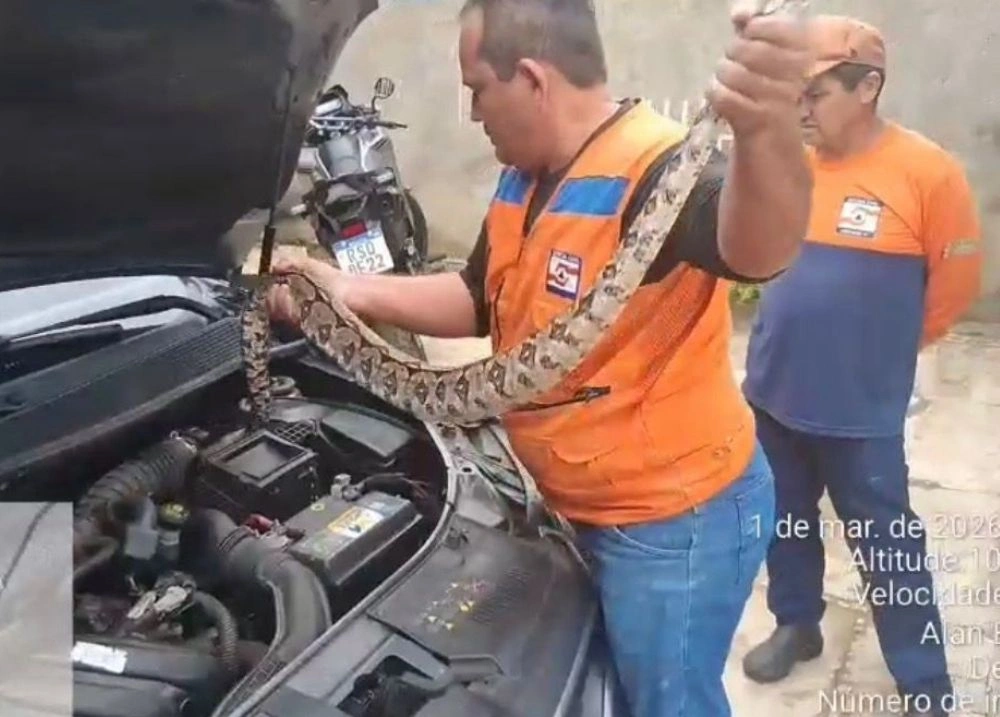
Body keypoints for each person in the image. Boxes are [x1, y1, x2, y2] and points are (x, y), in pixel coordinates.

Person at [266, 0, 814, 714]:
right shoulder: (524, 177)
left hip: (670, 523)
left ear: (530, 78)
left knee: (667, 702)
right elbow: (478, 296)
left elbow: (759, 248)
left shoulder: (662, 165)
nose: (470, 113)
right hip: (567, 502)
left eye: (475, 89)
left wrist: (767, 129)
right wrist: (346, 291)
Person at [741, 15, 983, 717]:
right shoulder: (789, 160)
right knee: (784, 521)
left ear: (867, 85)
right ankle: (797, 622)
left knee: (888, 542)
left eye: (813, 94)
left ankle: (924, 682)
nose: (800, 110)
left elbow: (953, 289)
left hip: (861, 411)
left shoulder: (927, 173)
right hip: (774, 391)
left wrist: (881, 355)